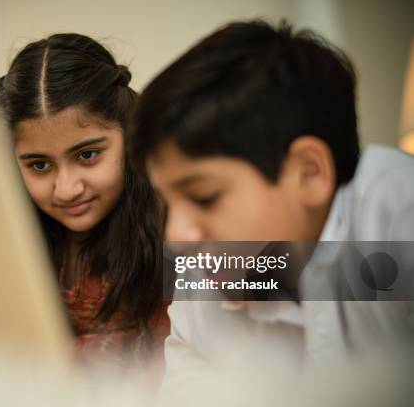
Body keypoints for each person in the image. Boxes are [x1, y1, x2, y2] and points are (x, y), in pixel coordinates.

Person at [127, 20, 414, 386]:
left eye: (204, 197)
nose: (175, 236)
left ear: (309, 173)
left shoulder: (400, 214)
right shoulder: (200, 288)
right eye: (167, 201)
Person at [0, 33, 169, 369]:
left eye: (87, 155)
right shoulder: (4, 245)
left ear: (130, 137)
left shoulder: (179, 232)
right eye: (39, 165)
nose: (66, 189)